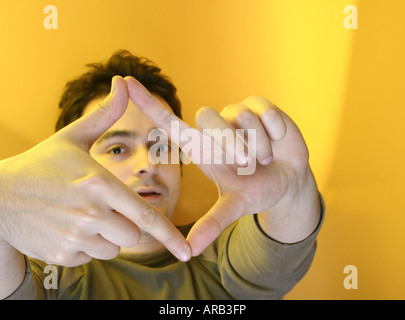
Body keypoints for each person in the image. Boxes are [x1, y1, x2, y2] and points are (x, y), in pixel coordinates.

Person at [1, 50, 323, 300]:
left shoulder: (222, 259)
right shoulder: (47, 276)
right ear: (75, 169)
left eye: (161, 147)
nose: (148, 164)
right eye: (117, 149)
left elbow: (279, 247)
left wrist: (291, 187)